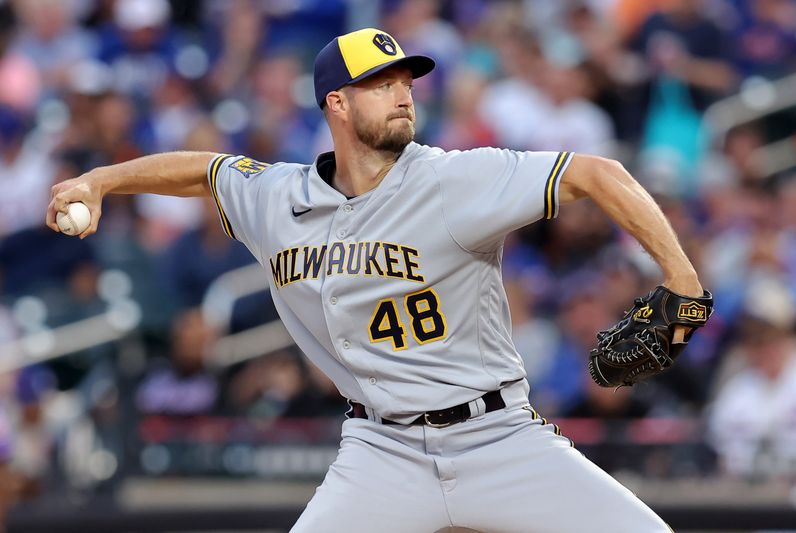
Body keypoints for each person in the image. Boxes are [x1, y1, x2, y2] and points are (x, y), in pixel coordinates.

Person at [48, 27, 704, 533]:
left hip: (496, 435)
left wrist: (681, 281)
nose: (401, 93)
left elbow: (597, 173)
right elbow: (206, 169)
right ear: (337, 101)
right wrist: (99, 180)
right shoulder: (280, 198)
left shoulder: (453, 180)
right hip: (380, 449)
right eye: (380, 82)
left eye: (406, 80)